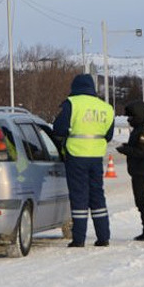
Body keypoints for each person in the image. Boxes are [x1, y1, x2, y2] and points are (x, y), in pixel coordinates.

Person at [53, 73, 115, 248]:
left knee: (79, 196)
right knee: (97, 196)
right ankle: (103, 237)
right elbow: (108, 135)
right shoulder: (106, 108)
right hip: (96, 157)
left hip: (76, 155)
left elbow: (59, 128)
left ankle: (79, 238)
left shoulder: (72, 104)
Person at [116, 100, 144, 242]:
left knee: (142, 202)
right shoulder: (140, 129)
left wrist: (125, 150)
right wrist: (127, 146)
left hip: (143, 171)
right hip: (139, 170)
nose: (129, 120)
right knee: (141, 201)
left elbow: (141, 151)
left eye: (131, 117)